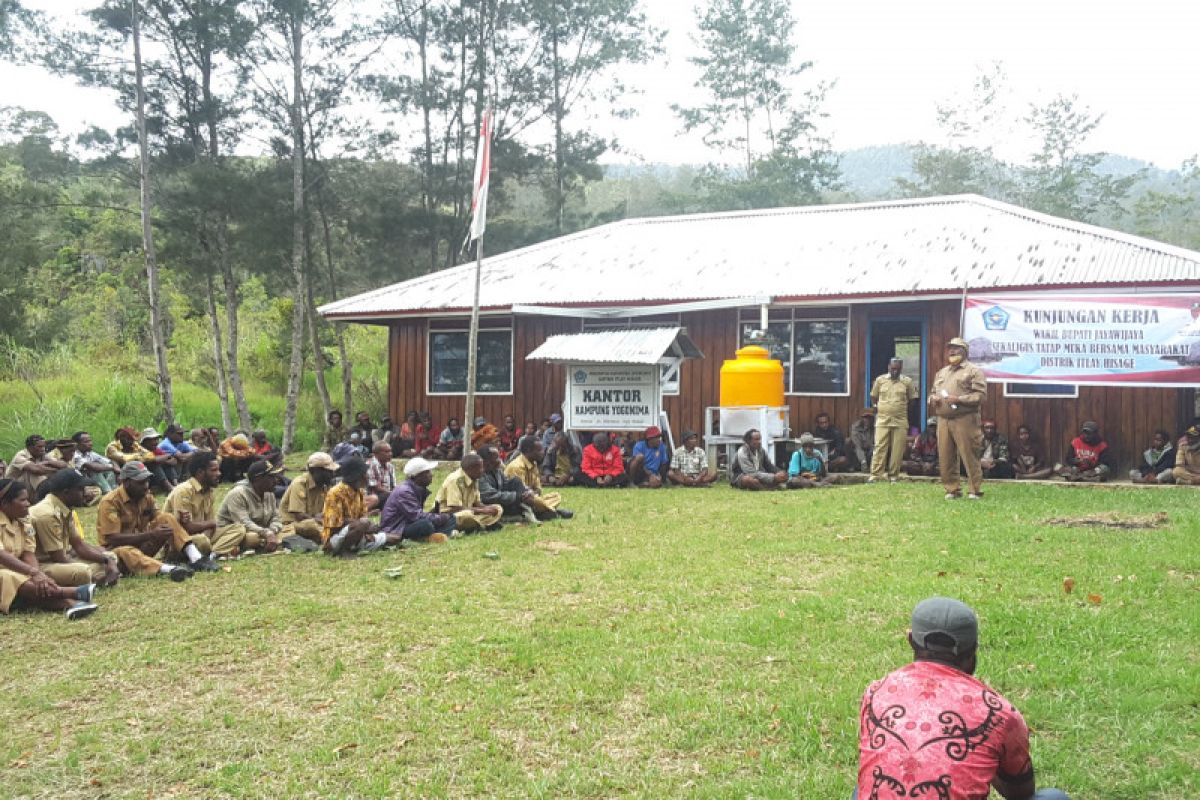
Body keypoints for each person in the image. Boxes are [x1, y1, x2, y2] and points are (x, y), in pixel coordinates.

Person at [855, 597, 1070, 800]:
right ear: (974, 649)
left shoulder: (876, 693)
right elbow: (1019, 792)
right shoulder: (999, 713)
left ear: (911, 640)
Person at [0, 479, 99, 620]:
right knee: (8, 576)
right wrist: (33, 572)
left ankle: (73, 603)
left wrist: (37, 576)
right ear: (4, 503)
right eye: (22, 500)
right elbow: (2, 555)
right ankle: (71, 594)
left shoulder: (23, 520)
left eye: (27, 499)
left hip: (19, 571)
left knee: (25, 581)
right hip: (7, 573)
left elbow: (28, 553)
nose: (28, 504)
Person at [95, 463, 198, 581]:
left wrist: (177, 520)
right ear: (126, 482)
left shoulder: (146, 496)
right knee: (126, 551)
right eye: (140, 482)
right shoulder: (110, 502)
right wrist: (150, 535)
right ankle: (169, 569)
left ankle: (196, 558)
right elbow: (112, 538)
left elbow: (160, 518)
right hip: (117, 553)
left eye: (147, 481)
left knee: (167, 518)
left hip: (142, 546)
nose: (146, 486)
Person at [30, 468, 121, 589]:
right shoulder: (46, 514)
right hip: (43, 564)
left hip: (64, 558)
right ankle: (91, 580)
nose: (86, 493)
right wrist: (94, 574)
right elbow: (59, 558)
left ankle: (93, 578)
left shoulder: (64, 507)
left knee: (111, 556)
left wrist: (107, 560)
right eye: (80, 489)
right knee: (83, 572)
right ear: (66, 492)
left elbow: (79, 546)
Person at [929, 337, 987, 499]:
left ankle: (974, 490)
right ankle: (952, 489)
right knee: (946, 455)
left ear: (965, 352)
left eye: (956, 348)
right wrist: (932, 399)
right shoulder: (942, 372)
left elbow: (980, 396)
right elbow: (933, 391)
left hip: (965, 418)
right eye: (950, 349)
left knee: (969, 454)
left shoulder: (974, 371)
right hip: (943, 419)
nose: (952, 351)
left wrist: (960, 399)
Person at [160, 453, 225, 571]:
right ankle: (209, 553)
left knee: (239, 529)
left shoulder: (209, 492)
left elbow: (210, 524)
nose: (219, 474)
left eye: (218, 470)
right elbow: (186, 528)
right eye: (214, 470)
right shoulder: (184, 491)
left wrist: (210, 527)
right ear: (200, 472)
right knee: (202, 541)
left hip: (202, 536)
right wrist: (210, 525)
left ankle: (210, 554)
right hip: (181, 541)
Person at [322, 456, 395, 556]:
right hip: (335, 538)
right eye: (365, 474)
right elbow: (335, 524)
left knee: (394, 538)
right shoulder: (335, 493)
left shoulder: (359, 492)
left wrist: (367, 530)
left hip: (358, 534)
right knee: (364, 523)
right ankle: (344, 551)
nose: (367, 477)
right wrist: (363, 525)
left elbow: (362, 516)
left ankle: (358, 545)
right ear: (356, 476)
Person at [212, 460, 284, 556]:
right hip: (234, 533)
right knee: (253, 538)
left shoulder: (269, 493)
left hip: (261, 531)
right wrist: (267, 533)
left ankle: (267, 542)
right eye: (271, 477)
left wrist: (272, 531)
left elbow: (276, 517)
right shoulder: (238, 494)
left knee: (290, 530)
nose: (276, 480)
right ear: (258, 479)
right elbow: (244, 523)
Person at [380, 457, 456, 543]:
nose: (431, 475)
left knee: (451, 517)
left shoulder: (416, 488)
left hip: (409, 522)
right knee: (425, 525)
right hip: (396, 528)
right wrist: (440, 518)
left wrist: (436, 514)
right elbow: (417, 516)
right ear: (418, 476)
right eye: (427, 472)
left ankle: (430, 536)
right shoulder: (404, 491)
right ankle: (427, 537)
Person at [869, 358, 917, 482]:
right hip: (882, 419)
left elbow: (912, 400)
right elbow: (874, 397)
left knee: (898, 448)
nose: (895, 371)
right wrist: (877, 407)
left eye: (897, 369)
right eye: (893, 368)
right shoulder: (880, 380)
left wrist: (900, 410)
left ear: (901, 368)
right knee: (880, 446)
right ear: (888, 367)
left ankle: (893, 475)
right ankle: (875, 475)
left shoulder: (907, 382)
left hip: (900, 420)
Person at [279, 452, 339, 551]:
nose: (332, 474)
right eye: (328, 471)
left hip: (314, 522)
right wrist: (318, 519)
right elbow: (299, 515)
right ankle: (332, 541)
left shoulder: (324, 486)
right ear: (314, 471)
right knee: (311, 525)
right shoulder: (299, 484)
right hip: (293, 525)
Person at [433, 453, 504, 532]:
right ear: (471, 469)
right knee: (467, 515)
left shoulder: (474, 478)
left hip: (470, 511)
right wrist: (482, 510)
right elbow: (454, 509)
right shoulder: (454, 480)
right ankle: (480, 525)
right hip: (450, 515)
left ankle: (477, 525)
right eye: (480, 468)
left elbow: (477, 503)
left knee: (498, 508)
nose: (483, 470)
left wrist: (487, 508)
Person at [505, 437, 573, 517]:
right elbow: (521, 494)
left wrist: (533, 493)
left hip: (532, 498)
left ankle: (544, 509)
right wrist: (532, 494)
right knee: (535, 501)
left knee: (556, 496)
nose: (543, 452)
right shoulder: (516, 466)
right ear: (528, 451)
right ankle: (552, 511)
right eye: (539, 450)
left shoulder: (534, 464)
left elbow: (538, 489)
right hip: (517, 502)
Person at [478, 445, 547, 522]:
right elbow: (491, 496)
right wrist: (518, 496)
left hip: (511, 501)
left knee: (516, 481)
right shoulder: (479, 475)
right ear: (486, 461)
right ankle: (530, 513)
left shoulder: (497, 471)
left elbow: (508, 483)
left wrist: (528, 491)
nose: (500, 460)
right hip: (490, 506)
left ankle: (530, 512)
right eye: (497, 457)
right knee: (536, 502)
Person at [366, 440, 396, 508]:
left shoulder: (390, 466)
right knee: (376, 498)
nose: (390, 454)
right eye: (386, 452)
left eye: (390, 451)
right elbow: (375, 487)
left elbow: (393, 485)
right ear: (376, 454)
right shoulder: (370, 465)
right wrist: (392, 493)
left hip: (387, 495)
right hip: (374, 496)